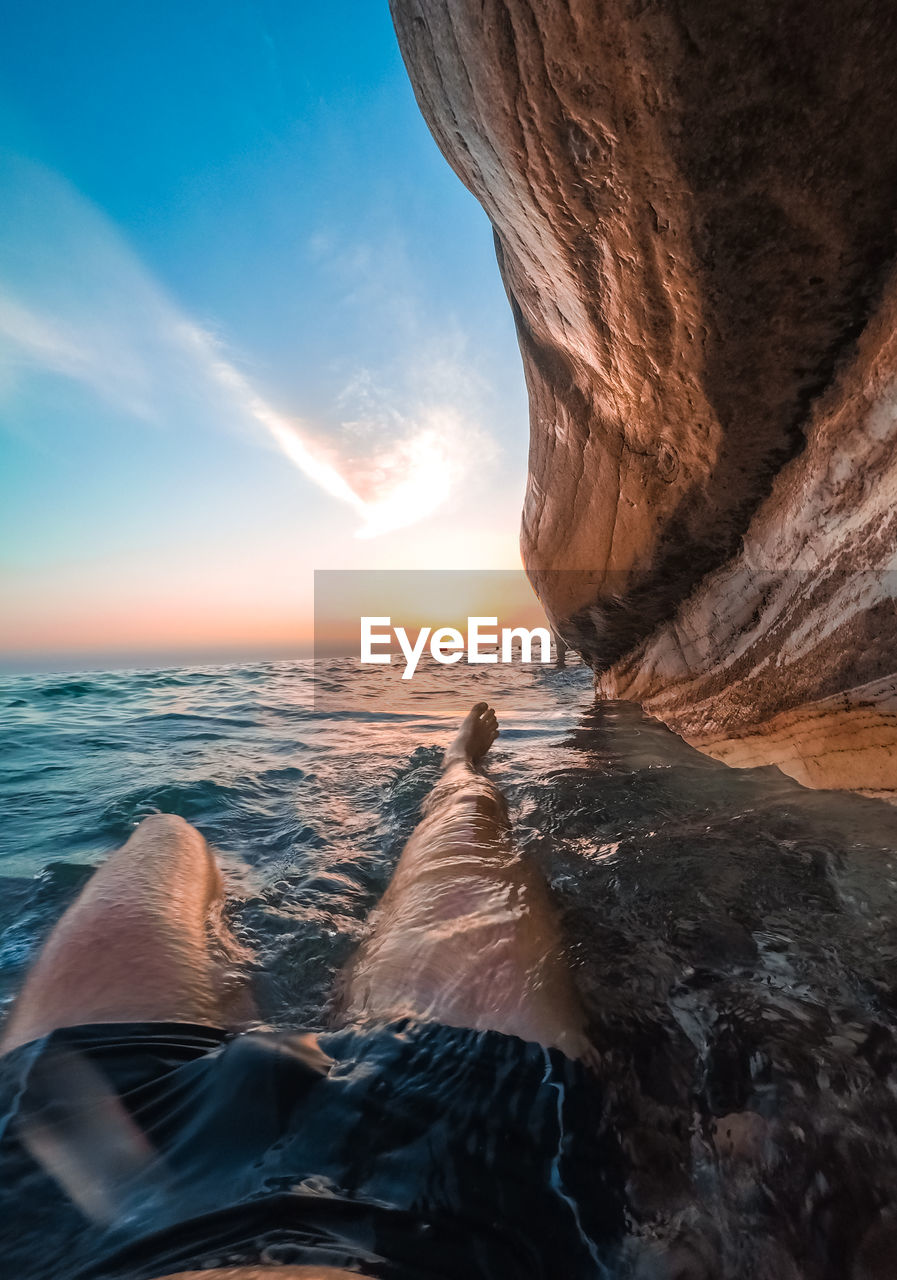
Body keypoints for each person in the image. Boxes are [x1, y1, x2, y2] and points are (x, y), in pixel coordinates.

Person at [0, 704, 623, 1280]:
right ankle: (459, 766)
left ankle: (234, 972)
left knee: (166, 835)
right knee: (464, 823)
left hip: (72, 1204)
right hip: (460, 1185)